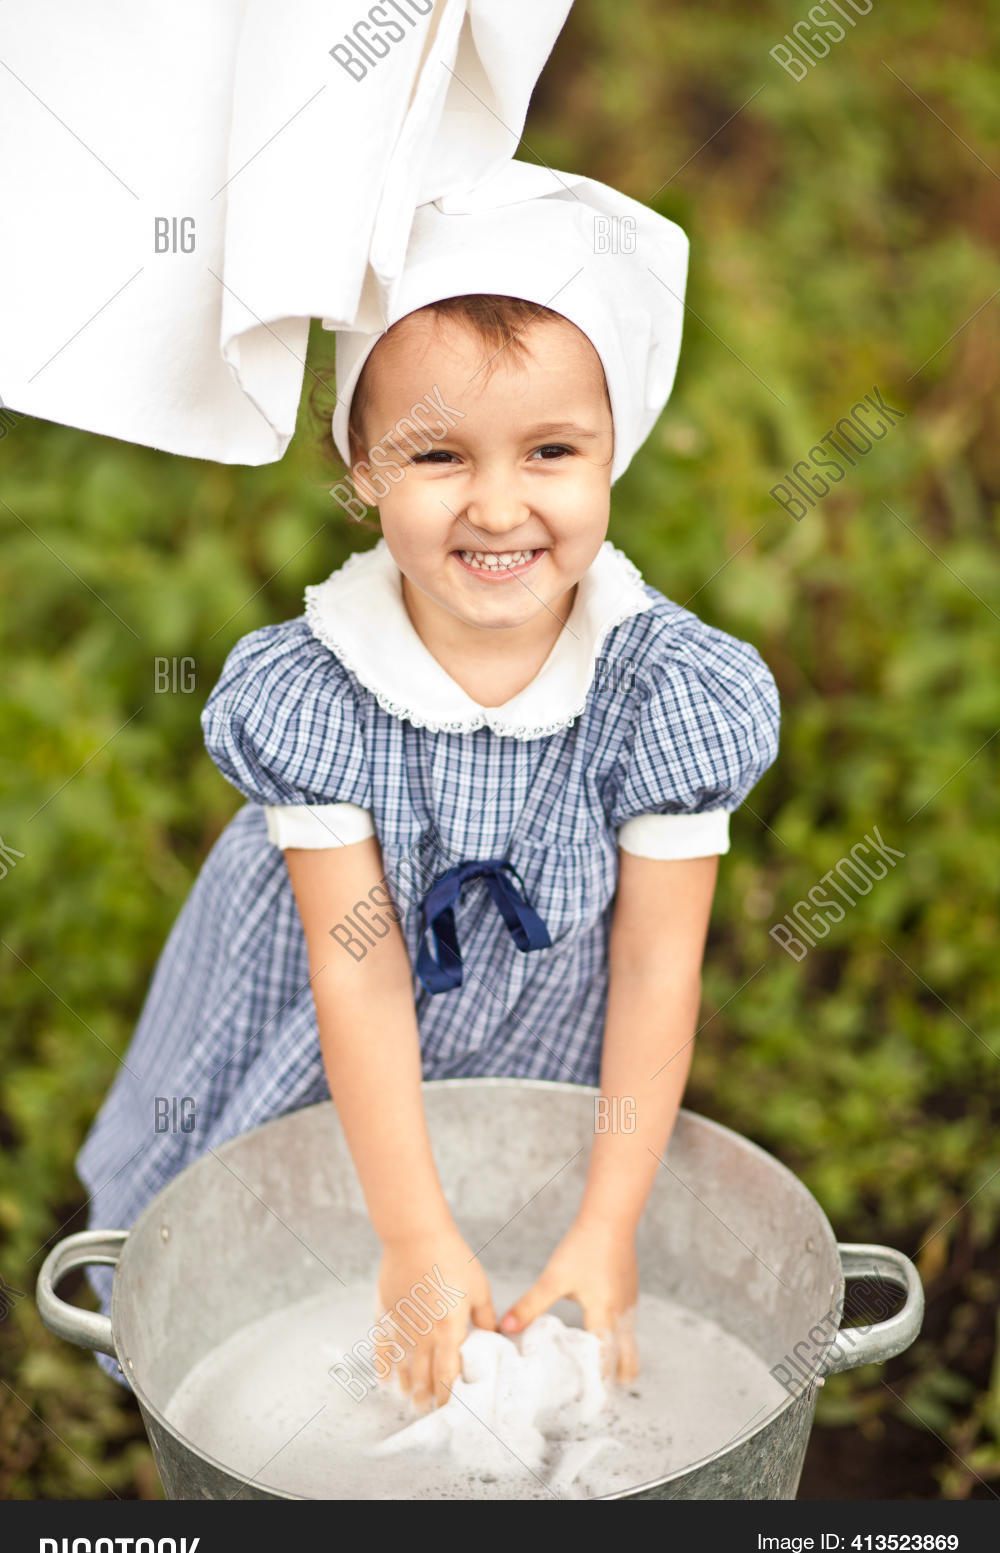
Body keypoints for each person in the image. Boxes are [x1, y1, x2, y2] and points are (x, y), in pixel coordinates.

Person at [77, 164, 779, 1408]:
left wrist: (610, 1220)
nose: (499, 505)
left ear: (614, 451)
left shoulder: (667, 695)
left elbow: (658, 968)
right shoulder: (322, 691)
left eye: (552, 450)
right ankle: (241, 1373)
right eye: (436, 454)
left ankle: (528, 1276)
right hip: (323, 994)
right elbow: (359, 964)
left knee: (520, 1218)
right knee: (282, 1250)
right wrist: (405, 1234)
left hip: (543, 1022)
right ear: (359, 468)